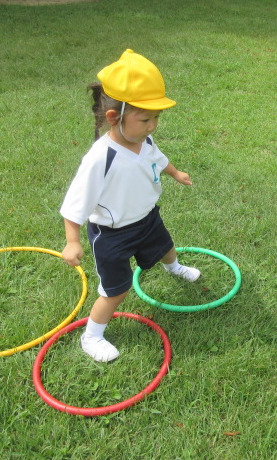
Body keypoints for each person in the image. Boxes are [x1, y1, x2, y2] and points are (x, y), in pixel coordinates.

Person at [60, 49, 199, 362]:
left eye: (157, 118)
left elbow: (157, 158)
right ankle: (92, 336)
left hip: (147, 218)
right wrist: (72, 241)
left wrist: (175, 173)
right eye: (146, 119)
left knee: (165, 246)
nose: (153, 126)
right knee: (116, 289)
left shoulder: (143, 141)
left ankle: (174, 267)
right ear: (114, 118)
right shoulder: (100, 158)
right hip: (113, 234)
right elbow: (75, 203)